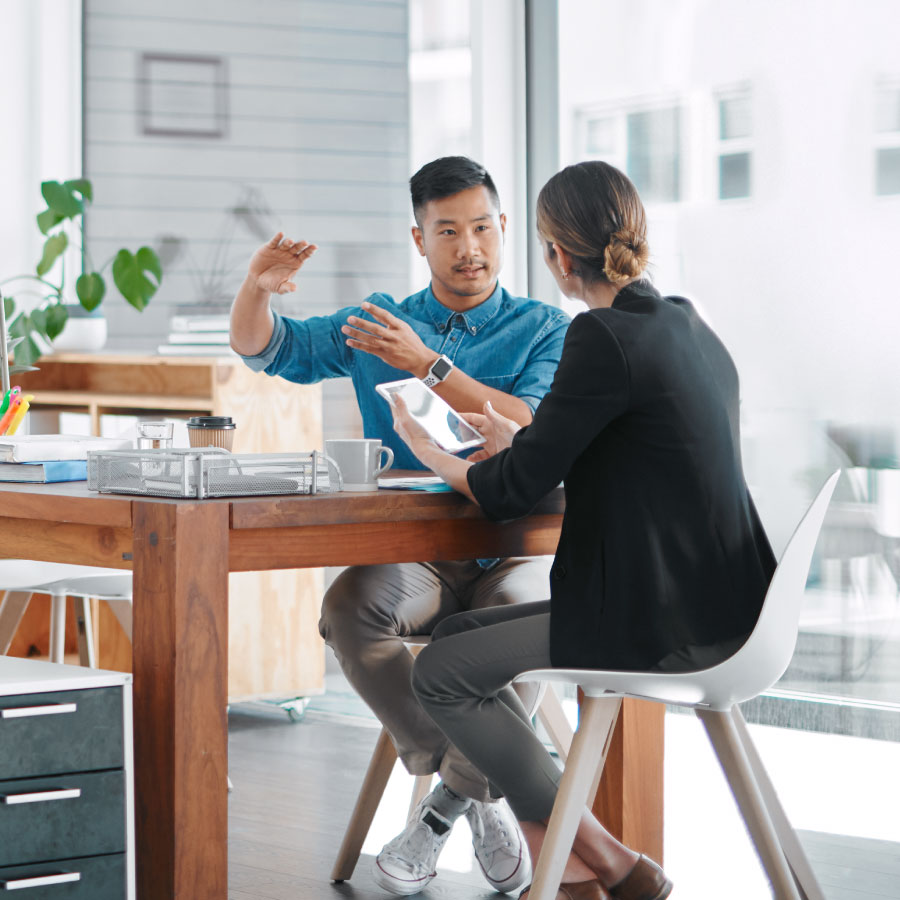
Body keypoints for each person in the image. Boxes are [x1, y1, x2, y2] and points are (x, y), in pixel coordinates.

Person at [389, 160, 777, 900]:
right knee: (455, 639)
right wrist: (520, 444)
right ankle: (587, 867)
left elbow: (509, 494)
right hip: (726, 604)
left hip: (662, 621)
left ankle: (600, 857)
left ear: (558, 256)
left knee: (439, 673)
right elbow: (625, 453)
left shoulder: (600, 334)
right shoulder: (683, 321)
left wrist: (432, 451)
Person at [230, 156, 570, 895]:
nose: (469, 247)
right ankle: (474, 790)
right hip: (418, 555)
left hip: (514, 552)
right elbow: (266, 349)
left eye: (481, 228)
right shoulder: (381, 321)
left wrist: (429, 365)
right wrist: (255, 287)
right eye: (448, 231)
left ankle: (439, 814)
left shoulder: (545, 327)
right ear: (419, 239)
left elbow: (531, 424)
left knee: (521, 625)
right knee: (348, 609)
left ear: (503, 227)